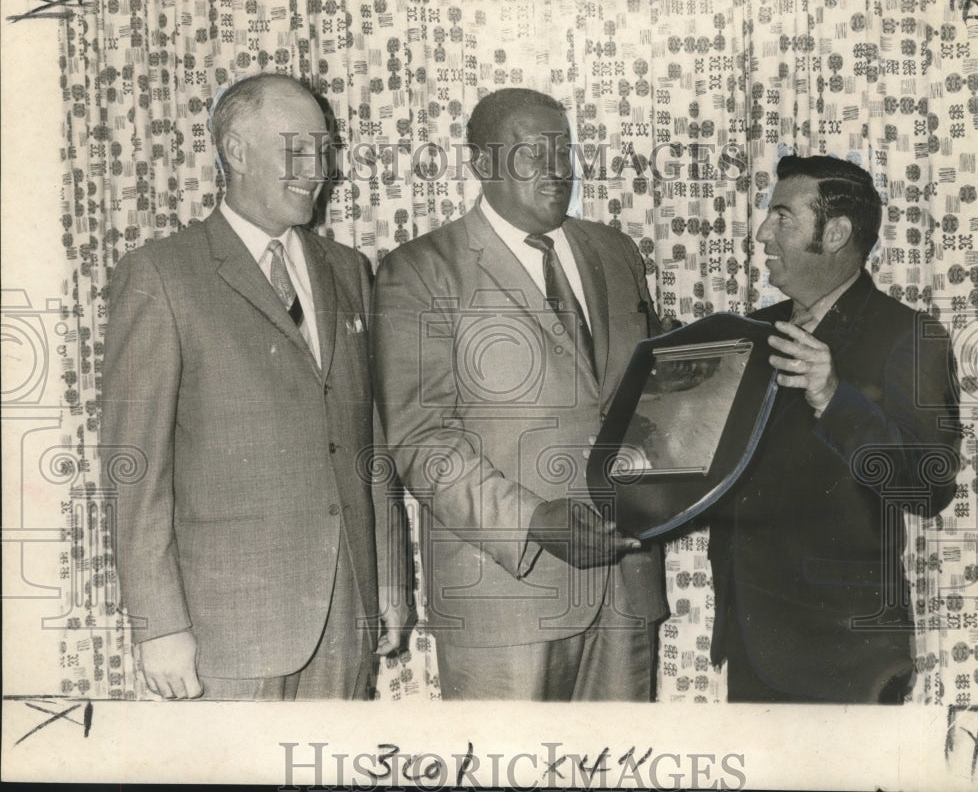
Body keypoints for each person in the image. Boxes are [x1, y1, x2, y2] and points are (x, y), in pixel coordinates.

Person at [101, 73, 408, 700]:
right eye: (297, 147)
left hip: (346, 620)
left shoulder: (349, 271)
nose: (318, 168)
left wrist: (391, 582)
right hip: (226, 633)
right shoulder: (160, 274)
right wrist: (159, 625)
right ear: (236, 152)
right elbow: (136, 468)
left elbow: (369, 443)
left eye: (323, 149)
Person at [372, 88, 668, 700]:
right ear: (482, 164)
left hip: (625, 591)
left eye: (564, 150)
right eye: (533, 154)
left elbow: (652, 394)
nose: (558, 169)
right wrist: (531, 522)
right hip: (503, 598)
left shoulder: (614, 253)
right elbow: (420, 440)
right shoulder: (422, 270)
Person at [705, 154, 961, 703]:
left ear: (837, 232)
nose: (761, 233)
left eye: (782, 216)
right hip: (750, 641)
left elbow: (928, 487)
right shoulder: (752, 330)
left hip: (848, 655)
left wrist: (833, 398)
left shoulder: (913, 337)